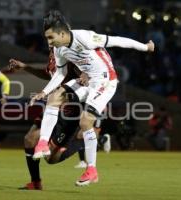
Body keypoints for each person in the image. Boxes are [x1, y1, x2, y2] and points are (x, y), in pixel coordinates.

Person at [31, 10, 155, 186]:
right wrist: (44, 92)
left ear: (62, 33)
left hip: (105, 81)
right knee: (54, 97)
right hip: (87, 81)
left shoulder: (85, 37)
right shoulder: (59, 49)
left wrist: (145, 47)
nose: (49, 42)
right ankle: (43, 143)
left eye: (51, 38)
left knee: (85, 123)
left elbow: (117, 41)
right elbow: (60, 73)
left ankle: (91, 170)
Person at [9, 50, 87, 190]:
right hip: (52, 108)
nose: (50, 40)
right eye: (48, 37)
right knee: (29, 139)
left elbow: (86, 74)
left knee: (51, 159)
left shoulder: (71, 54)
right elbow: (48, 75)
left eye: (52, 36)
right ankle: (36, 182)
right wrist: (25, 67)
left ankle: (81, 142)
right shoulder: (54, 54)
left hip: (68, 113)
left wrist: (84, 76)